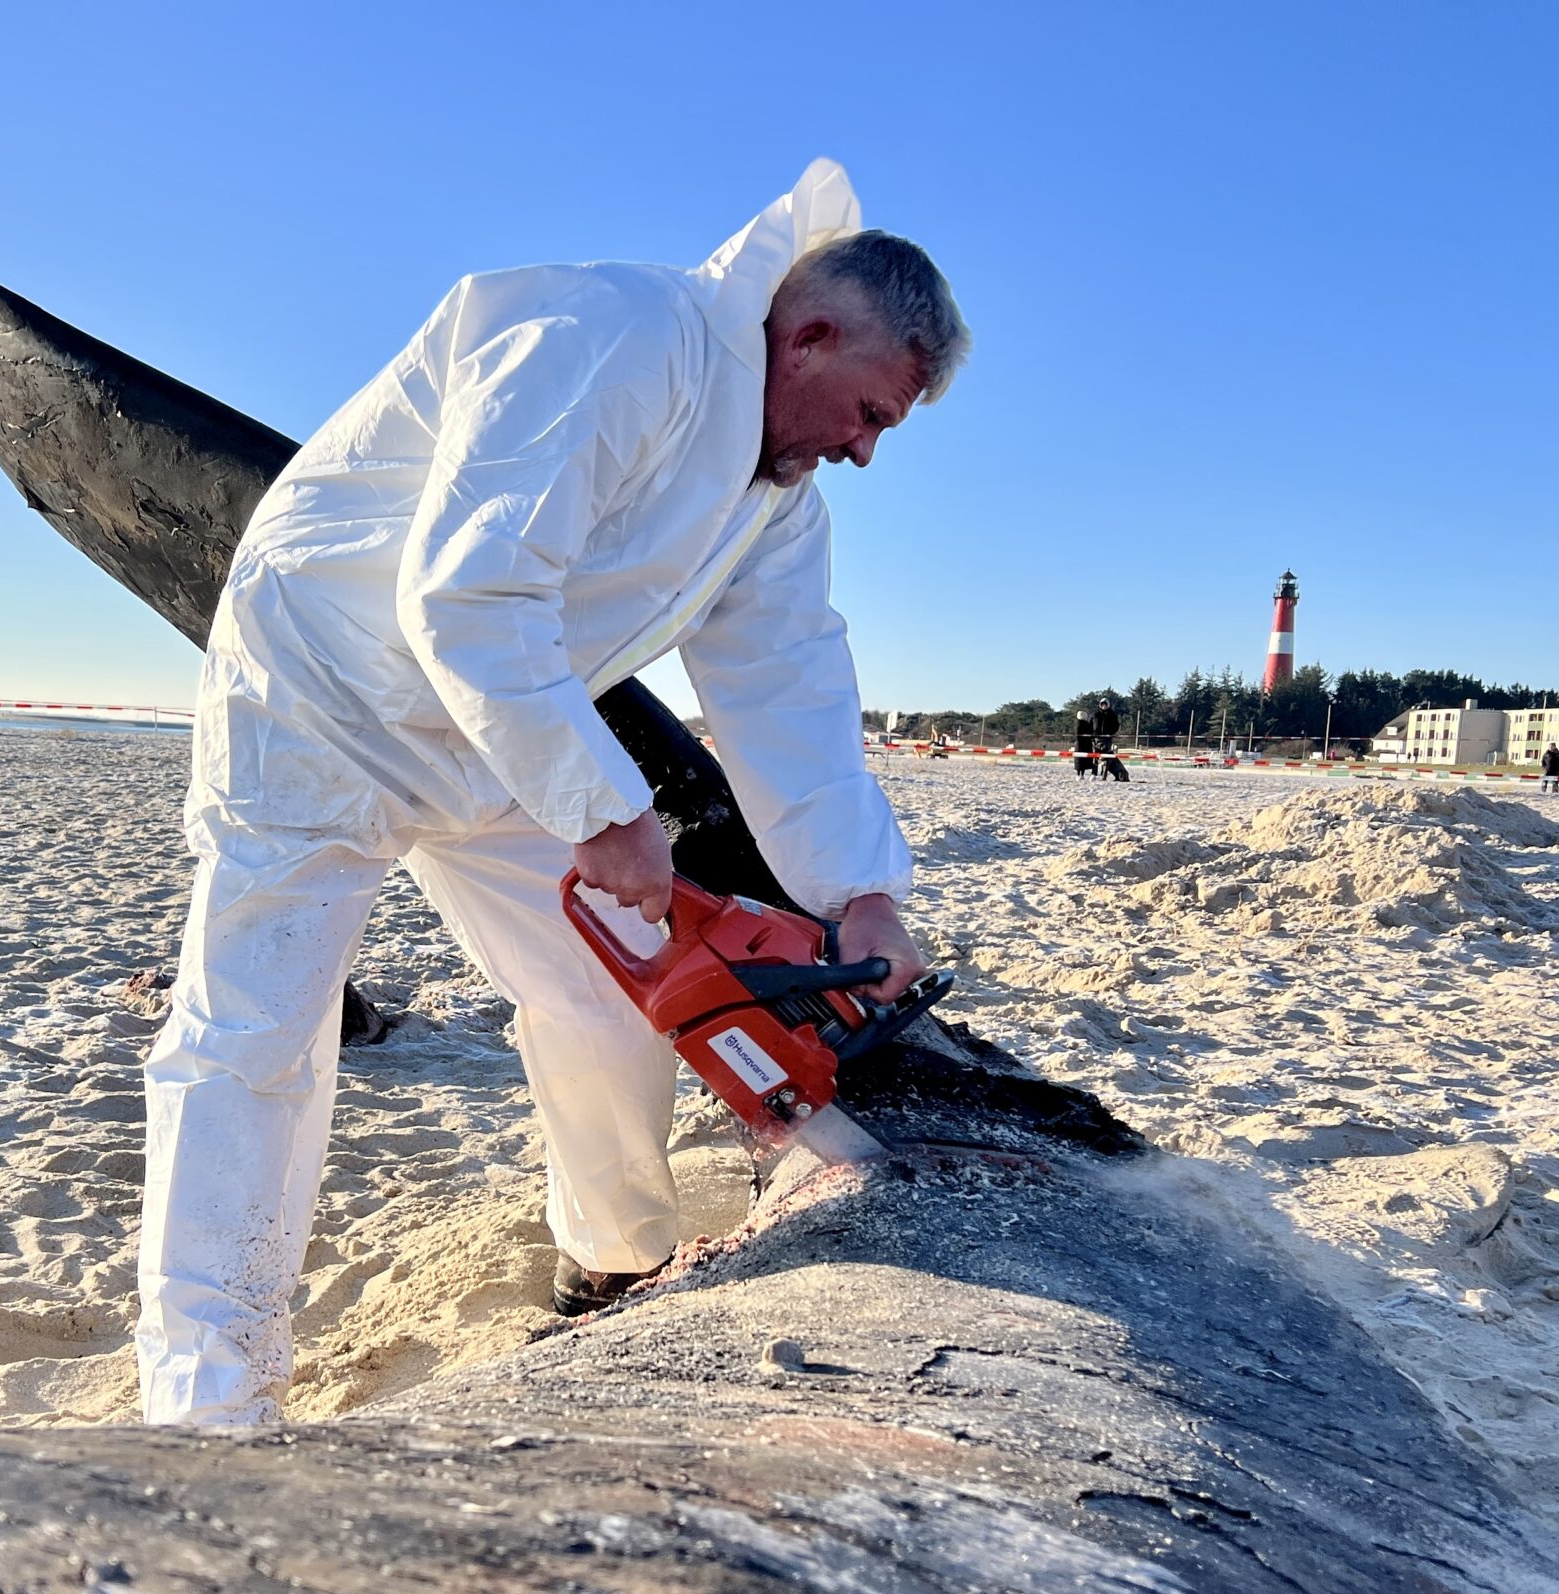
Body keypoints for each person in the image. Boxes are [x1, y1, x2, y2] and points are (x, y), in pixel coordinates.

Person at [136, 161, 963, 1427]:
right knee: (255, 1040)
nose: (860, 450)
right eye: (868, 414)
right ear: (805, 335)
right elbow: (467, 589)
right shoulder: (614, 336)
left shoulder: (776, 505)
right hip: (323, 696)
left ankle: (612, 1259)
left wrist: (861, 895)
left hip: (510, 724)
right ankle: (207, 1396)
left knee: (608, 990)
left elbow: (788, 693)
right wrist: (601, 804)